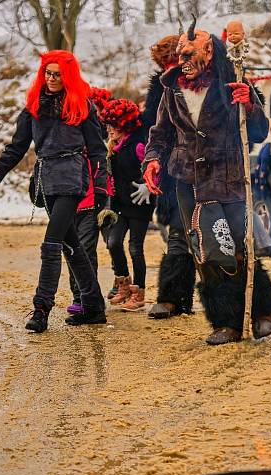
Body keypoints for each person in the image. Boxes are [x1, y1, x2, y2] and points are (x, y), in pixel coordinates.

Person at [142, 19, 271, 345]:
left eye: (189, 55)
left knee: (242, 248)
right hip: (189, 181)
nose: (183, 61)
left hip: (229, 178)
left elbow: (258, 132)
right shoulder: (171, 88)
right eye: (180, 55)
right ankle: (226, 322)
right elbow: (159, 133)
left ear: (209, 54)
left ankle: (261, 312)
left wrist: (250, 104)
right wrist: (152, 159)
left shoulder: (233, 83)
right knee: (210, 252)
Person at [0, 50, 108, 332]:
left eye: (57, 74)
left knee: (52, 242)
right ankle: (94, 307)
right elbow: (17, 147)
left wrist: (100, 186)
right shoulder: (32, 107)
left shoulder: (82, 105)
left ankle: (41, 308)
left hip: (74, 176)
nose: (51, 79)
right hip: (47, 179)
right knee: (72, 245)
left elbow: (98, 150)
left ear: (68, 76)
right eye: (48, 73)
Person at [142, 35, 198, 320]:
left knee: (223, 238)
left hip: (216, 169)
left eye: (174, 61)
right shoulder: (162, 90)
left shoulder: (217, 78)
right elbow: (154, 129)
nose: (171, 67)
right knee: (178, 233)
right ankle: (173, 297)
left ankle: (229, 305)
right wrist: (150, 162)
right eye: (165, 63)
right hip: (177, 170)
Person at [99, 98, 154, 311]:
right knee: (113, 242)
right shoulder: (115, 145)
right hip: (121, 203)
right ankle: (123, 283)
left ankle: (138, 293)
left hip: (141, 203)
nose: (110, 130)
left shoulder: (139, 144)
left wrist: (150, 185)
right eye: (108, 126)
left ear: (126, 125)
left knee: (135, 247)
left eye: (114, 126)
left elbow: (155, 167)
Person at [64, 86, 113, 316]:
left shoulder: (93, 141)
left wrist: (103, 197)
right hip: (65, 200)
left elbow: (101, 165)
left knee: (85, 250)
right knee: (70, 250)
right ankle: (82, 297)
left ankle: (86, 299)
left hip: (90, 201)